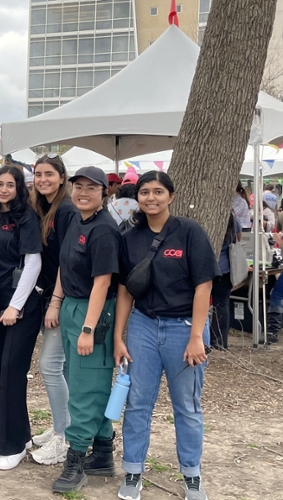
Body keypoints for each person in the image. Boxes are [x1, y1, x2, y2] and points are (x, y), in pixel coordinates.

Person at [113, 171, 216, 500]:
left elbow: (204, 286)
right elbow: (126, 291)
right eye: (145, 192)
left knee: (186, 405)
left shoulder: (189, 232)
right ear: (137, 197)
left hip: (185, 327)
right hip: (143, 325)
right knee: (138, 403)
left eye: (158, 192)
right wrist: (119, 336)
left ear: (171, 196)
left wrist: (197, 336)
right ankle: (132, 471)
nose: (151, 198)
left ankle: (192, 475)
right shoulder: (130, 236)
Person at [51, 166, 121, 494]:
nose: (83, 192)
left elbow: (103, 282)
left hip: (92, 311)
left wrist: (88, 328)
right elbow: (65, 266)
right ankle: (103, 452)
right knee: (91, 384)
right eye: (78, 186)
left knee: (84, 388)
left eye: (91, 188)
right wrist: (56, 303)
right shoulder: (78, 220)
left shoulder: (104, 229)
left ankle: (76, 458)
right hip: (72, 306)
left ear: (103, 193)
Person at [0, 166, 43, 469]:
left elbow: (33, 264)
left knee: (10, 372)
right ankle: (21, 433)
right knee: (4, 372)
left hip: (21, 308)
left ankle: (12, 446)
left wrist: (15, 306)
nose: (4, 189)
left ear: (20, 188)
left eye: (10, 185)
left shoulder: (26, 218)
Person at [29, 154, 78, 466]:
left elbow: (66, 261)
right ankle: (64, 426)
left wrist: (56, 302)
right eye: (38, 174)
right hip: (48, 295)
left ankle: (64, 437)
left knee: (49, 364)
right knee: (58, 368)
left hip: (63, 297)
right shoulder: (44, 208)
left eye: (49, 174)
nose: (43, 179)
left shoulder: (67, 211)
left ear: (62, 177)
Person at [211, 213, 242, 349]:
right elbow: (238, 239)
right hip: (225, 268)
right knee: (222, 305)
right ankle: (220, 341)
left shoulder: (209, 216)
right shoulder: (233, 219)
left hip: (207, 269)